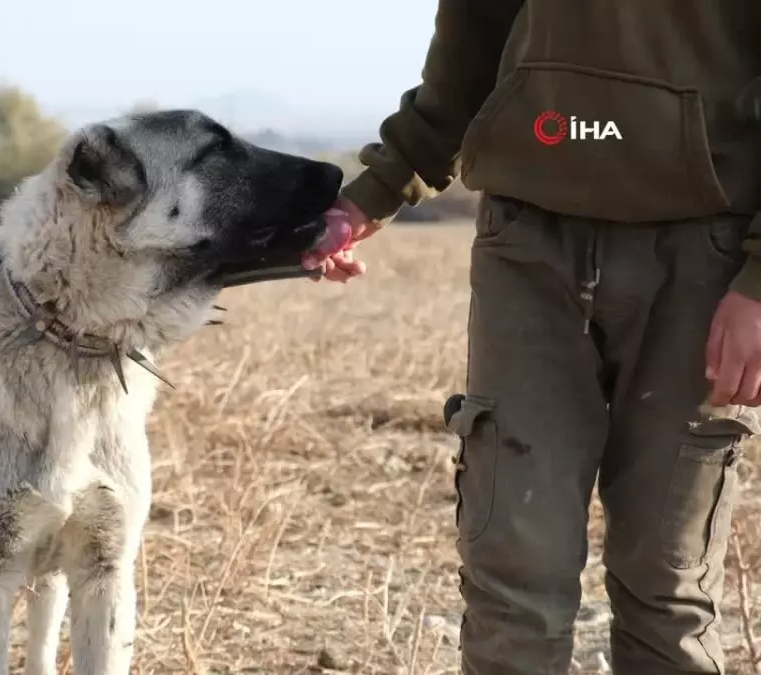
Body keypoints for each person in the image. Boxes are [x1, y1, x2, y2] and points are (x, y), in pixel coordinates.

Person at [301, 2, 761, 674]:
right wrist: (373, 193)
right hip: (529, 244)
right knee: (514, 585)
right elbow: (469, 45)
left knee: (668, 589)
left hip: (702, 259)